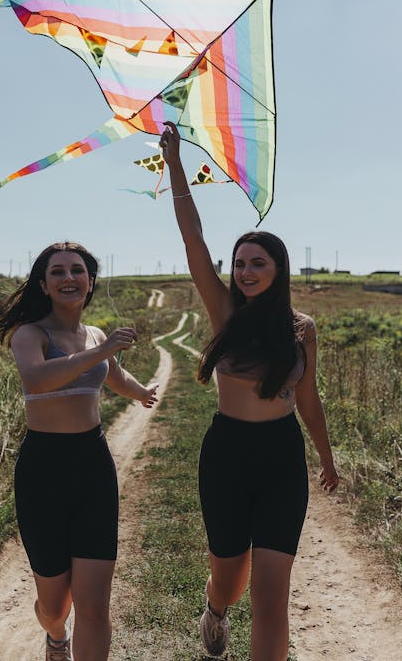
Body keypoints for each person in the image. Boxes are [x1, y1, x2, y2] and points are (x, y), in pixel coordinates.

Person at [160, 123, 339, 661]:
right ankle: (214, 613)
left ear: (279, 269)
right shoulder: (225, 313)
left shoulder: (302, 328)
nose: (245, 271)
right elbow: (194, 239)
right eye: (239, 264)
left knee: (272, 592)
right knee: (230, 577)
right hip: (228, 454)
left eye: (257, 262)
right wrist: (173, 164)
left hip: (282, 456)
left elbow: (308, 401)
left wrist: (327, 459)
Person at [0, 242, 158, 661]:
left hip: (92, 467)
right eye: (57, 272)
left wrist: (141, 393)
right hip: (43, 470)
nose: (68, 278)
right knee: (55, 605)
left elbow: (113, 374)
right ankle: (55, 634)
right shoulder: (31, 334)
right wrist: (100, 352)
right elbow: (37, 380)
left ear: (90, 282)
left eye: (77, 270)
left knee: (94, 606)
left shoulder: (95, 334)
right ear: (43, 285)